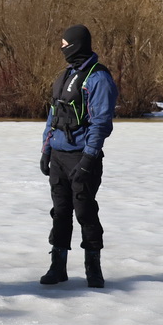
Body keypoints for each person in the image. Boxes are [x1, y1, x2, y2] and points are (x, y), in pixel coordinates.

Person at [39, 24, 118, 288]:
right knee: (60, 212)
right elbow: (53, 116)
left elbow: (101, 123)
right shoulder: (65, 76)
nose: (61, 48)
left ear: (75, 44)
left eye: (64, 44)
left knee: (85, 211)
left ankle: (93, 269)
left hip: (83, 157)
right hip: (59, 156)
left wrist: (89, 158)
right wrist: (46, 150)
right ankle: (57, 267)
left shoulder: (98, 78)